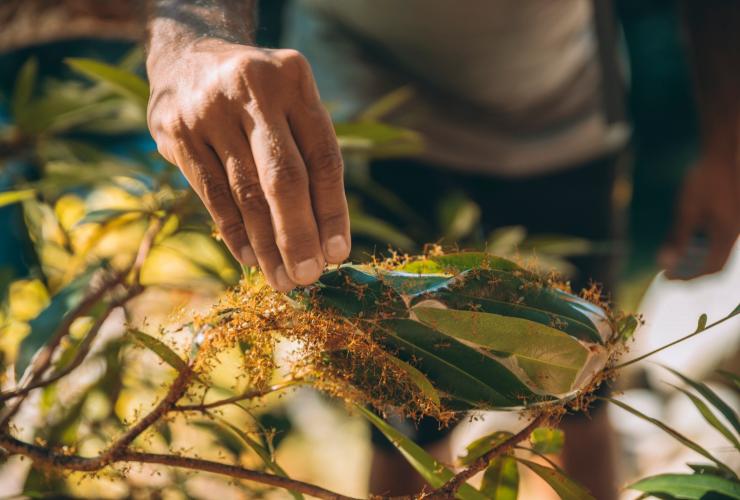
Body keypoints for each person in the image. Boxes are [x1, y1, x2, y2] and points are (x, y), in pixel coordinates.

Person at [143, 1, 740, 497]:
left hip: (560, 109)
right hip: (362, 117)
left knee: (583, 388)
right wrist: (190, 40)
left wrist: (728, 148)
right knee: (403, 425)